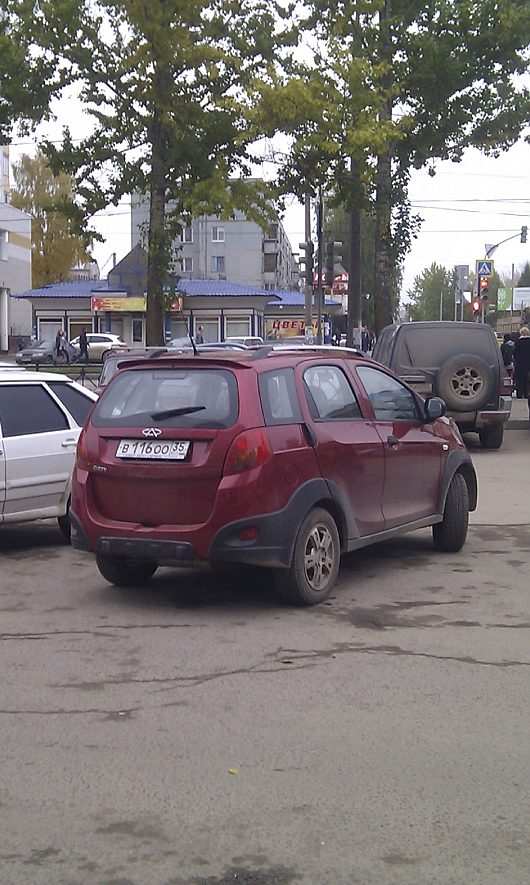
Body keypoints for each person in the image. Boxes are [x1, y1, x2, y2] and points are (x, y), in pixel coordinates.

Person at [513, 326, 530, 403]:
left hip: (520, 364)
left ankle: (519, 394)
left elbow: (515, 353)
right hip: (528, 364)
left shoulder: (518, 342)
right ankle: (527, 394)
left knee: (519, 379)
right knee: (527, 379)